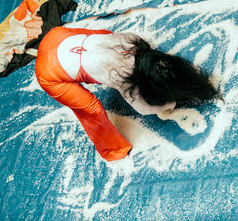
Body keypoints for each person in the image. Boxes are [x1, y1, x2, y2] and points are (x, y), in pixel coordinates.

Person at [35, 26, 218, 161]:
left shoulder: (133, 40)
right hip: (49, 71)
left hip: (58, 36)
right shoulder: (120, 78)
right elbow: (145, 109)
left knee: (106, 35)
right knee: (92, 110)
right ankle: (113, 151)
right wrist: (171, 104)